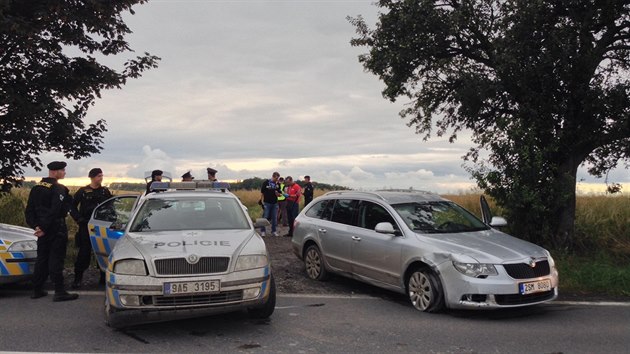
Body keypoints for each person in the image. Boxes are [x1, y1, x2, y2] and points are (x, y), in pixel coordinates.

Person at [24, 161, 79, 302]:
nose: (65, 173)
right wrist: (44, 228)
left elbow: (29, 210)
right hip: (55, 228)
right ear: (55, 172)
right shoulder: (58, 188)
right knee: (56, 259)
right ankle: (59, 291)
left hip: (42, 229)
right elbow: (55, 211)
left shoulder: (36, 187)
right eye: (63, 170)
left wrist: (36, 226)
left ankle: (37, 290)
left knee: (41, 259)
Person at [70, 168, 112, 289]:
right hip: (86, 226)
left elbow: (111, 206)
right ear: (92, 177)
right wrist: (78, 218)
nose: (101, 178)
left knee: (103, 251)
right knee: (84, 253)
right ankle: (77, 279)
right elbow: (72, 206)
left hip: (102, 226)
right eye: (99, 176)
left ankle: (103, 278)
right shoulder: (83, 191)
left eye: (102, 176)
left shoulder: (104, 191)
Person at [259, 172, 282, 237]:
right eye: (276, 178)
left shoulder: (278, 184)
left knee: (274, 218)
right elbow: (262, 192)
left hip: (275, 203)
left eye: (278, 179)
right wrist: (261, 201)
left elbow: (280, 194)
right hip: (267, 202)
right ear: (273, 176)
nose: (277, 180)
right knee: (265, 217)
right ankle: (263, 231)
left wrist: (278, 194)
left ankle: (274, 231)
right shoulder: (266, 183)